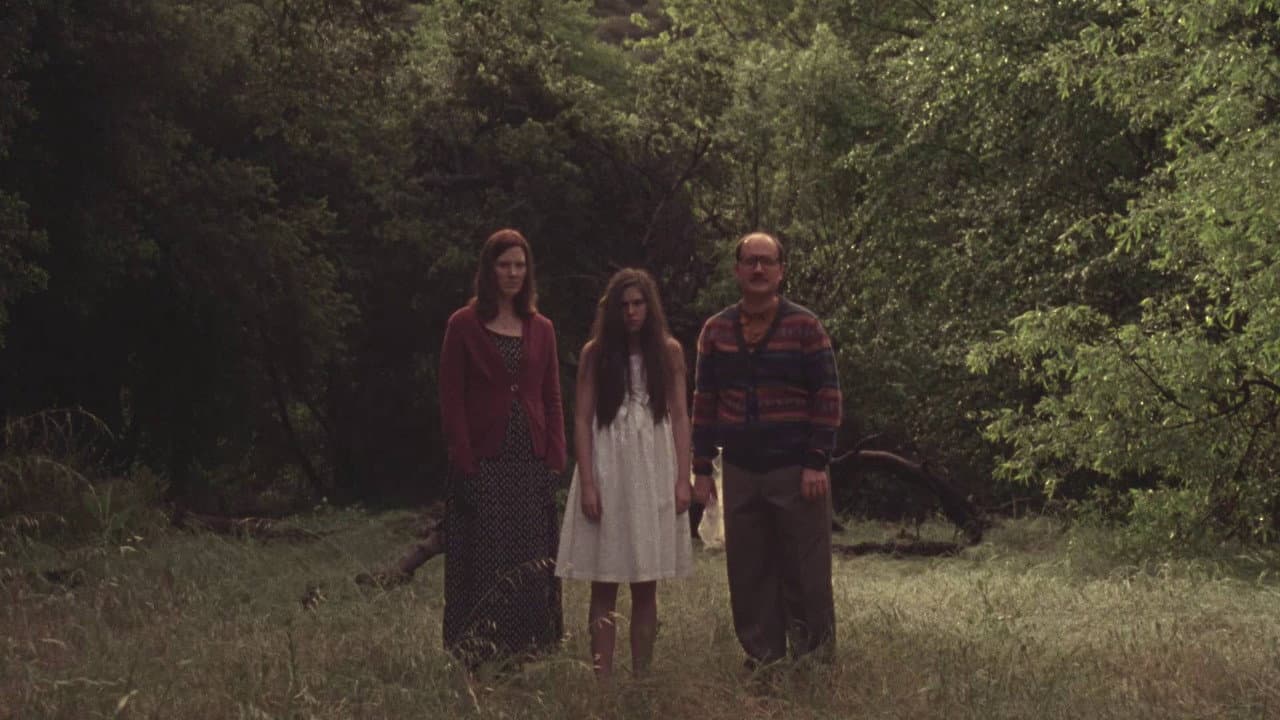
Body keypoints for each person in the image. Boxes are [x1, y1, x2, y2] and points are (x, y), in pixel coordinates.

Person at [691, 231, 842, 669]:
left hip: (796, 469)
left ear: (781, 271)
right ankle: (764, 662)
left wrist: (817, 461)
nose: (758, 269)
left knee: (806, 571)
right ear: (737, 270)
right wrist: (702, 468)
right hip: (740, 469)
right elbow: (704, 401)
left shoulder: (805, 327)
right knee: (749, 571)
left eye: (767, 261)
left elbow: (828, 396)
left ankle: (814, 662)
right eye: (750, 261)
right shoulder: (715, 331)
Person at [556, 268, 693, 678]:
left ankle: (641, 678)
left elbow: (681, 416)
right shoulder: (595, 353)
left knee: (646, 582)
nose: (632, 312)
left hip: (653, 466)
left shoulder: (669, 352)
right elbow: (582, 419)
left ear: (650, 307)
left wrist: (682, 478)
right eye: (624, 305)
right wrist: (588, 483)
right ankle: (602, 682)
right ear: (612, 310)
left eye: (638, 303)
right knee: (604, 579)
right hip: (608, 465)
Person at [438, 228, 566, 668]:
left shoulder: (542, 328)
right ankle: (479, 652)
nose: (513, 273)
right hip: (482, 460)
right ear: (489, 270)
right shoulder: (463, 324)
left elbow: (551, 395)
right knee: (483, 555)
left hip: (530, 460)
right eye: (504, 265)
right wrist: (464, 458)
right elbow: (451, 398)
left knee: (530, 556)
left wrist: (556, 454)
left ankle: (527, 650)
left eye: (520, 265)